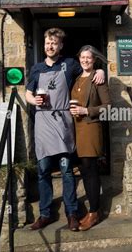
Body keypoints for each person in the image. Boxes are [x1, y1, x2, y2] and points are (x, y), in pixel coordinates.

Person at [25, 28, 105, 231]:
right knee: (43, 170)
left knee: (66, 170)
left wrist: (101, 71)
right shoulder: (36, 68)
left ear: (60, 46)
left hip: (62, 121)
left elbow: (89, 69)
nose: (49, 46)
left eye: (53, 43)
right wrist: (33, 100)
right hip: (43, 121)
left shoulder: (70, 65)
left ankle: (72, 213)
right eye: (47, 43)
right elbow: (27, 93)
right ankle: (45, 214)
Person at [69, 45, 111, 231]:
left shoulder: (97, 78)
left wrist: (87, 110)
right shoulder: (77, 78)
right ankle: (92, 211)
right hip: (76, 129)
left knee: (91, 170)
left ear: (94, 60)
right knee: (84, 170)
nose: (85, 60)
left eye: (89, 58)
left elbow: (109, 107)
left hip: (91, 128)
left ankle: (94, 212)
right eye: (83, 57)